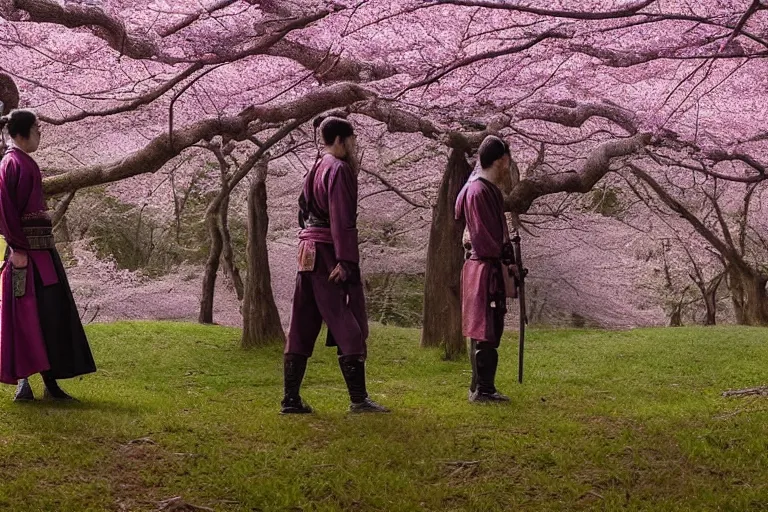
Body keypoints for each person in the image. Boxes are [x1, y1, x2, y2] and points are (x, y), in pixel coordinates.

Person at [281, 115, 389, 414]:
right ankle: (358, 399)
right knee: (347, 320)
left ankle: (290, 398)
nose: (353, 147)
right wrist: (346, 261)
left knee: (301, 321)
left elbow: (303, 209)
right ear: (340, 140)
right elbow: (343, 220)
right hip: (329, 251)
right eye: (351, 141)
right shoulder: (338, 168)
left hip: (307, 250)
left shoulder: (315, 166)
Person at [0, 109, 96, 401]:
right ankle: (23, 383)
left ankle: (51, 384)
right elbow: (3, 210)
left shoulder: (27, 163)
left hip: (43, 253)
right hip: (24, 256)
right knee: (24, 316)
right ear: (21, 133)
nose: (40, 133)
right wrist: (16, 249)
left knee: (50, 314)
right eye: (37, 128)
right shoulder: (10, 164)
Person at [455, 135, 515, 403]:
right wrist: (500, 253)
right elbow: (481, 235)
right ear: (501, 160)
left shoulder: (485, 188)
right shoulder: (478, 191)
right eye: (507, 161)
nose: (508, 167)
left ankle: (481, 386)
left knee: (489, 326)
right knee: (485, 328)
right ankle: (483, 389)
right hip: (483, 267)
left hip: (485, 266)